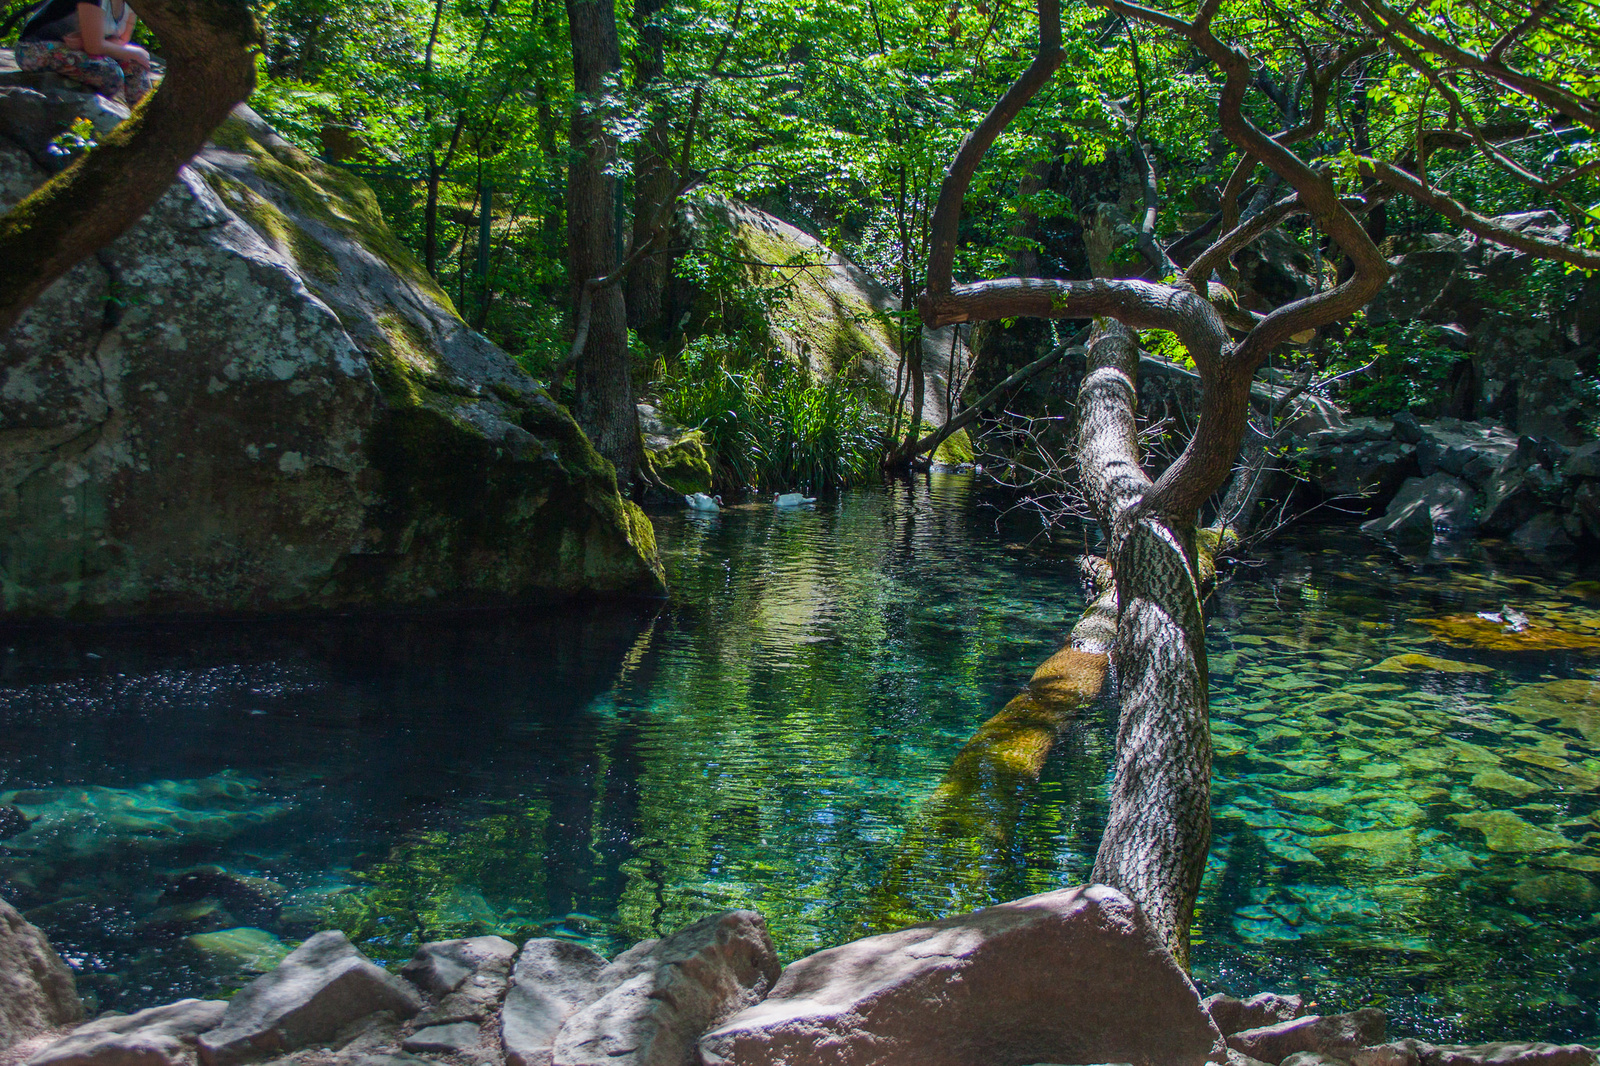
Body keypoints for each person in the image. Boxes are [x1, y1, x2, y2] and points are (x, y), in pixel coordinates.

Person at [13, 0, 152, 106]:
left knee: (135, 66)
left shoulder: (133, 3)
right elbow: (94, 46)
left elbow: (121, 40)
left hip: (74, 47)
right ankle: (89, 120)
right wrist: (93, 44)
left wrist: (91, 43)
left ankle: (147, 125)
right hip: (33, 48)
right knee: (111, 73)